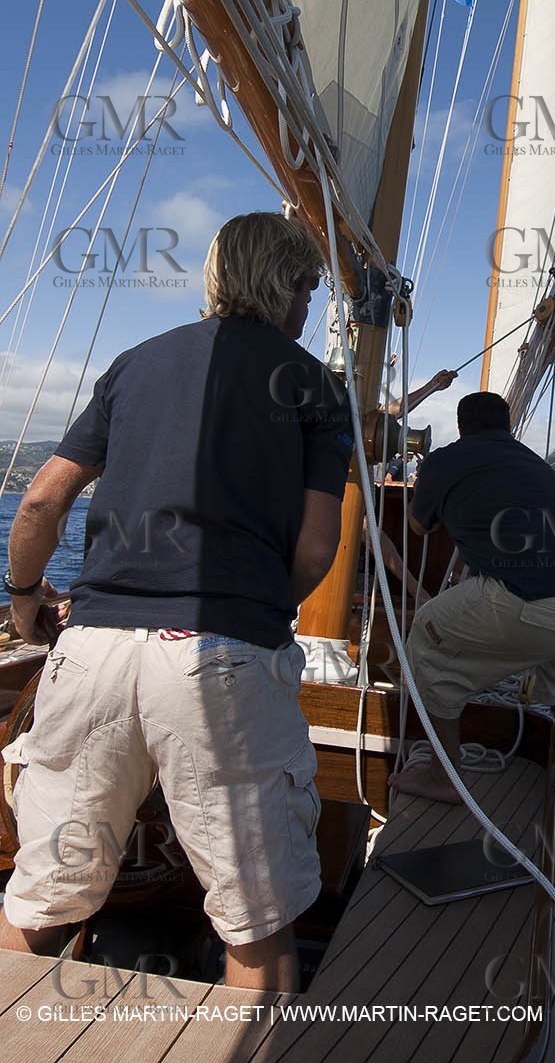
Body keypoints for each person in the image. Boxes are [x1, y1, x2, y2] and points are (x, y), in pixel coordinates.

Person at [0, 212, 353, 991]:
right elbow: (318, 549)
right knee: (256, 928)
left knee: (36, 902)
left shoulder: (135, 364)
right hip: (224, 658)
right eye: (310, 292)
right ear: (288, 286)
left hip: (90, 653)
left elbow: (39, 506)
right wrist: (256, 606)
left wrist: (24, 598)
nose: (308, 311)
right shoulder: (316, 387)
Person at [388, 392, 555, 804]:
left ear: (462, 425)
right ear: (507, 427)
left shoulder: (447, 459)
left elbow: (417, 526)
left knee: (426, 637)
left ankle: (444, 777)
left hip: (546, 602)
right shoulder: (533, 463)